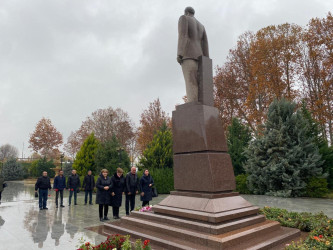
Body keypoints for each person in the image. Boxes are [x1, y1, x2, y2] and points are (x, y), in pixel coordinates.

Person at [177, 6, 209, 103]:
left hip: (188, 55)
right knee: (199, 84)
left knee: (190, 81)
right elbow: (205, 45)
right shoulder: (201, 26)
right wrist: (206, 61)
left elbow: (183, 36)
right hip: (200, 57)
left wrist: (180, 53)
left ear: (186, 12)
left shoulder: (184, 18)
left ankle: (192, 104)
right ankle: (196, 105)